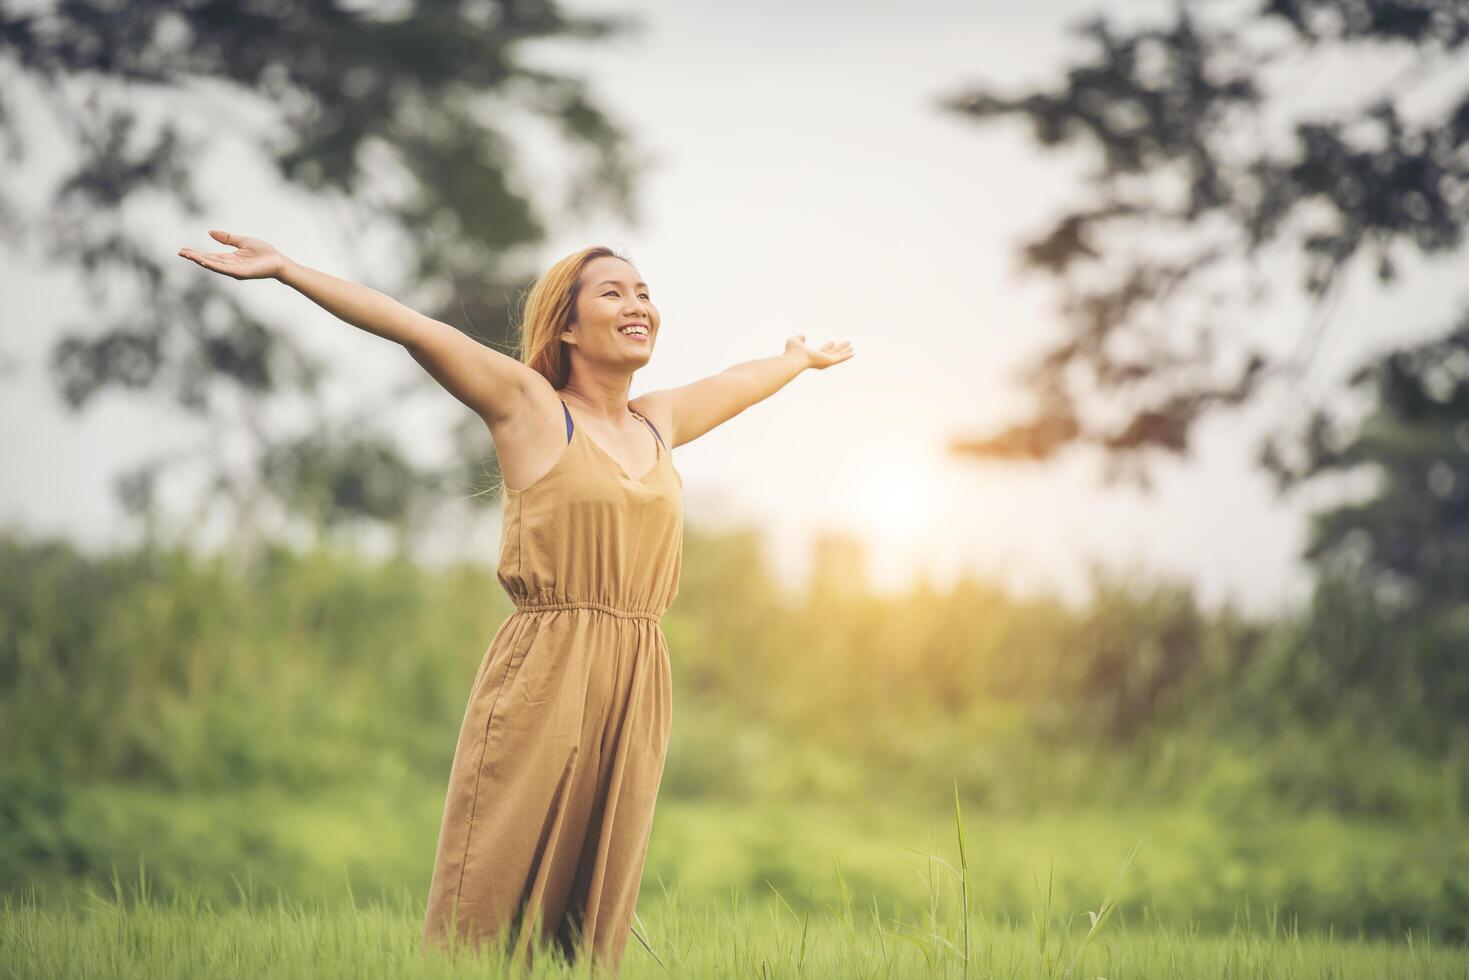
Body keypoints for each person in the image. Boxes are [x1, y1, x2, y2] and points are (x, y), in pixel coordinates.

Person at [177, 229, 855, 973]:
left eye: (644, 293)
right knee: (489, 896)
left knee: (592, 916)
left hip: (636, 676)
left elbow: (735, 381)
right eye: (613, 292)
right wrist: (287, 271)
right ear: (566, 325)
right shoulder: (531, 406)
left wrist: (794, 361)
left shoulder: (655, 423)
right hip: (546, 671)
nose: (638, 305)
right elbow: (410, 326)